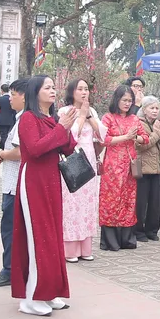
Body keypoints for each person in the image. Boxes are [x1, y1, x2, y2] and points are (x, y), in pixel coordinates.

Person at [13, 75, 78, 316]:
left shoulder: (51, 118)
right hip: (33, 182)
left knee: (51, 237)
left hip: (51, 181)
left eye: (53, 87)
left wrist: (66, 128)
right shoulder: (28, 118)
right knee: (37, 238)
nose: (53, 91)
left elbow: (67, 148)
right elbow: (36, 149)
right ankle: (31, 298)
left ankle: (49, 291)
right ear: (35, 92)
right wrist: (61, 128)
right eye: (47, 87)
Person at [0, 79, 28, 287]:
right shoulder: (20, 117)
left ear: (24, 95)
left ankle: (10, 269)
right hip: (16, 183)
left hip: (15, 185)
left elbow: (20, 152)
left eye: (13, 94)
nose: (9, 98)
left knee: (10, 229)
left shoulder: (25, 120)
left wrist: (0, 152)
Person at [98, 85, 148, 251]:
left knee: (128, 200)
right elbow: (103, 139)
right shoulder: (108, 118)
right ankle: (110, 240)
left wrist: (137, 138)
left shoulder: (134, 119)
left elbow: (145, 138)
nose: (127, 104)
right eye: (124, 100)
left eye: (130, 101)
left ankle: (127, 239)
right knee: (110, 200)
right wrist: (125, 137)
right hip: (112, 166)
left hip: (129, 166)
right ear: (116, 100)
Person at [57, 79, 102, 262]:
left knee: (89, 202)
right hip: (74, 157)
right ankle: (70, 249)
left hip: (89, 157)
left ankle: (86, 247)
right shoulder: (64, 111)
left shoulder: (92, 111)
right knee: (72, 202)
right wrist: (82, 116)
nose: (84, 92)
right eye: (80, 89)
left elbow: (101, 135)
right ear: (72, 92)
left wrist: (89, 116)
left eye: (86, 89)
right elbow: (71, 136)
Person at [135, 95, 160, 242]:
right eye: (152, 108)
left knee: (155, 202)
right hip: (142, 167)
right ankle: (139, 230)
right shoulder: (138, 123)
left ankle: (152, 230)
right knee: (141, 201)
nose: (155, 111)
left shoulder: (159, 124)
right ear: (144, 110)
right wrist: (156, 135)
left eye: (157, 108)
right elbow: (141, 145)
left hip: (157, 168)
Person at [0, 83, 16, 149]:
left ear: (1, 90)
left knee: (3, 136)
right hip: (10, 120)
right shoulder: (11, 99)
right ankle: (1, 148)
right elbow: (14, 110)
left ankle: (4, 149)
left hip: (1, 120)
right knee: (6, 135)